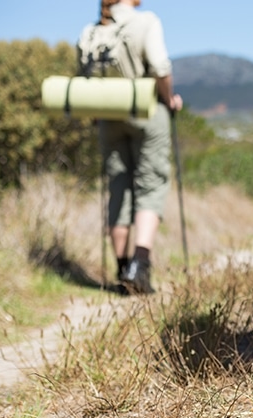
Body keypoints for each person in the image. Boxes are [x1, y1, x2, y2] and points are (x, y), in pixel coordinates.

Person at [85, 0, 183, 294]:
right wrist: (169, 100)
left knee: (119, 186)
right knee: (150, 184)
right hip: (145, 111)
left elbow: (85, 78)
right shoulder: (145, 21)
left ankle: (121, 267)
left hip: (106, 117)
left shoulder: (91, 32)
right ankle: (139, 266)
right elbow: (160, 67)